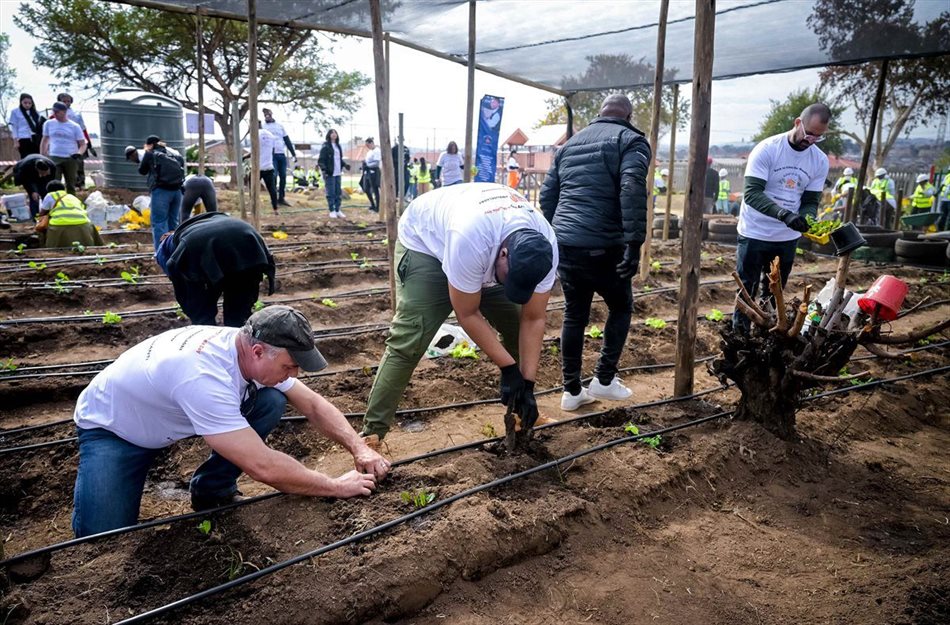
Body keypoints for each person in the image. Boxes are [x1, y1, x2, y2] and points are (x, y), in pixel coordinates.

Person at [70, 304, 390, 537]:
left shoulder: (246, 347)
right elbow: (262, 466)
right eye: (290, 366)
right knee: (103, 538)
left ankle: (213, 490)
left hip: (169, 410)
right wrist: (335, 486)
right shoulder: (202, 376)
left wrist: (359, 448)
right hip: (116, 429)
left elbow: (314, 405)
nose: (294, 374)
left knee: (270, 398)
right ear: (258, 351)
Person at [360, 183, 558, 444]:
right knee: (410, 337)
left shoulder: (545, 249)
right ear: (504, 253)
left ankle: (522, 413)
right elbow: (467, 313)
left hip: (480, 245)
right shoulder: (470, 238)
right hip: (427, 245)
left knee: (514, 323)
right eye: (508, 279)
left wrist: (527, 384)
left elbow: (533, 319)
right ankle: (372, 436)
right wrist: (509, 369)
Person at [539, 94, 650, 411]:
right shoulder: (630, 141)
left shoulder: (569, 146)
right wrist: (634, 243)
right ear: (628, 115)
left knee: (575, 314)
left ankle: (572, 391)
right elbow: (631, 187)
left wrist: (553, 234)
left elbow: (549, 197)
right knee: (620, 306)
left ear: (600, 114)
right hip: (606, 246)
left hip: (568, 245)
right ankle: (603, 379)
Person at [733, 102, 830, 331]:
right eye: (809, 133)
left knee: (774, 291)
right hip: (755, 231)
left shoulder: (819, 161)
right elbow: (752, 193)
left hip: (786, 238)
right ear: (798, 123)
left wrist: (806, 218)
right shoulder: (768, 149)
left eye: (818, 137)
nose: (811, 140)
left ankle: (765, 336)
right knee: (747, 287)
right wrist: (783, 214)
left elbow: (809, 201)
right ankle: (739, 336)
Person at [155, 212, 275, 327]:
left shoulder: (165, 248)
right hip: (247, 238)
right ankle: (236, 337)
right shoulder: (201, 224)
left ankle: (207, 337)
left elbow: (177, 277)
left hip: (201, 245)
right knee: (238, 315)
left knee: (202, 317)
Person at [137, 135, 185, 249]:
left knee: (159, 223)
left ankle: (161, 252)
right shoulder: (173, 154)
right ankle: (175, 250)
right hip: (177, 191)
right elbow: (182, 165)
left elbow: (142, 171)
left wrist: (147, 155)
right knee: (174, 222)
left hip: (161, 192)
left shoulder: (150, 154)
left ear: (149, 145)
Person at [38, 180, 104, 248]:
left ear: (49, 190)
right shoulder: (72, 197)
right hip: (83, 224)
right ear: (64, 189)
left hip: (59, 225)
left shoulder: (50, 195)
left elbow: (43, 212)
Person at [40, 102, 86, 195]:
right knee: (55, 183)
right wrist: (42, 157)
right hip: (54, 156)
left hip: (70, 158)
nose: (55, 114)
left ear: (65, 112)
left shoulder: (74, 126)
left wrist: (79, 153)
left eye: (58, 112)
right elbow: (44, 140)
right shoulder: (48, 124)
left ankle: (72, 204)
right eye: (54, 112)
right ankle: (56, 203)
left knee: (71, 184)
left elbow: (83, 144)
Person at [57, 93, 96, 189]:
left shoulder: (76, 114)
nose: (66, 103)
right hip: (63, 143)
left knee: (79, 163)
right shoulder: (55, 115)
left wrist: (89, 145)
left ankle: (80, 183)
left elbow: (83, 129)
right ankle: (68, 184)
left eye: (68, 101)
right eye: (64, 101)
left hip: (77, 142)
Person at [262, 108, 297, 207]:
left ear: (271, 114)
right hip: (271, 155)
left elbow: (287, 140)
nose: (266, 116)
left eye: (268, 114)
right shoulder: (263, 127)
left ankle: (281, 198)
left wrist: (293, 154)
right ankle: (274, 199)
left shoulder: (280, 126)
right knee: (274, 176)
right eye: (265, 115)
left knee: (283, 176)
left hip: (281, 154)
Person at [13, 153, 56, 219]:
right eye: (42, 173)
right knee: (34, 198)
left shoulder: (52, 166)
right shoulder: (25, 167)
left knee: (46, 195)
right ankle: (36, 218)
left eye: (46, 173)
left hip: (42, 178)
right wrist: (32, 191)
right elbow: (26, 180)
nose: (44, 175)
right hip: (28, 177)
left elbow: (51, 181)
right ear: (37, 169)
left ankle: (47, 216)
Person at [318, 129, 349, 218]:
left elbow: (339, 159)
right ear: (329, 135)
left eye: (335, 132)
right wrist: (324, 170)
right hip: (329, 173)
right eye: (332, 133)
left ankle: (338, 210)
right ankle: (332, 210)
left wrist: (345, 165)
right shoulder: (325, 146)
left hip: (338, 172)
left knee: (338, 192)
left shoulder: (338, 146)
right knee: (330, 192)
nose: (334, 134)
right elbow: (321, 160)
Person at [8, 93, 45, 158]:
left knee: (37, 158)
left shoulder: (35, 112)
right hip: (23, 138)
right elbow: (14, 127)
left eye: (29, 103)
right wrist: (15, 141)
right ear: (21, 102)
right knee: (26, 158)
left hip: (35, 138)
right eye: (25, 103)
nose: (27, 105)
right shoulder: (15, 112)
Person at [258, 124, 280, 215]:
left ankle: (254, 207)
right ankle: (275, 209)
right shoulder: (270, 135)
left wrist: (243, 157)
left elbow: (253, 151)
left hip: (257, 168)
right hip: (269, 166)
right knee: (272, 189)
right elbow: (273, 151)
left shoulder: (256, 134)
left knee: (252, 188)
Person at [361, 137, 382, 213]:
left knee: (375, 189)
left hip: (374, 172)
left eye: (368, 145)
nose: (368, 147)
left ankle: (377, 206)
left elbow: (376, 163)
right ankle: (372, 204)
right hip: (367, 172)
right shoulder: (369, 152)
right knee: (366, 188)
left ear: (372, 143)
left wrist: (368, 165)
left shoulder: (377, 151)